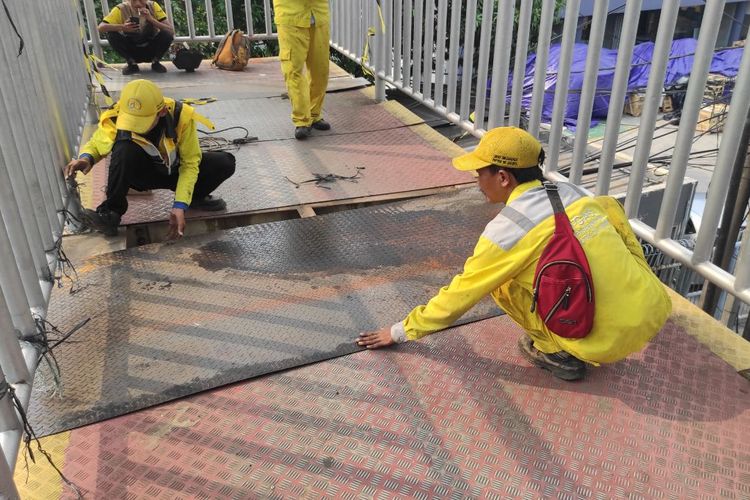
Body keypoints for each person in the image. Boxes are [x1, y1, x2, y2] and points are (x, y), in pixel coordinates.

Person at [357, 127, 672, 381]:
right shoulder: (572, 192)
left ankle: (555, 351)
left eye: (480, 173)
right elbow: (619, 225)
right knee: (601, 222)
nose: (477, 181)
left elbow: (459, 296)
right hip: (654, 310)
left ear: (503, 177)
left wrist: (398, 332)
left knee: (501, 284)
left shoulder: (505, 232)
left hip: (603, 342)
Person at [65, 79, 235, 239]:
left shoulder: (181, 116)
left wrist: (180, 204)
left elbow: (190, 164)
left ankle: (195, 197)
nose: (135, 128)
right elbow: (98, 142)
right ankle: (110, 214)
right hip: (143, 174)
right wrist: (87, 158)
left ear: (161, 112)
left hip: (174, 170)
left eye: (141, 122)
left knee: (225, 162)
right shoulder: (117, 115)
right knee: (123, 148)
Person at [273, 0, 331, 140]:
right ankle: (302, 120)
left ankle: (314, 114)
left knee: (320, 69)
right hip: (290, 15)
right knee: (293, 70)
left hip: (318, 15)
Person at [98, 0, 175, 75]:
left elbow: (170, 30)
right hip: (132, 48)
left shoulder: (153, 6)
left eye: (141, 0)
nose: (138, 3)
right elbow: (101, 27)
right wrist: (122, 27)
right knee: (111, 34)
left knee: (167, 34)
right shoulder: (120, 9)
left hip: (151, 48)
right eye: (133, 0)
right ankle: (131, 63)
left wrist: (151, 19)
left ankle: (156, 61)